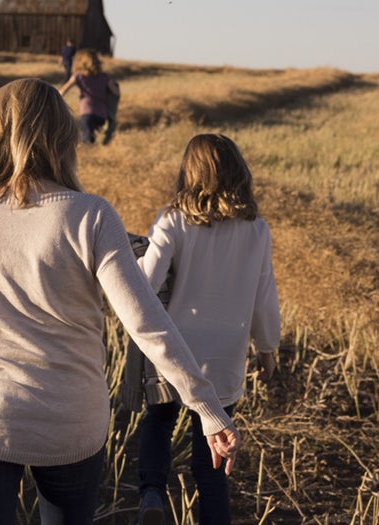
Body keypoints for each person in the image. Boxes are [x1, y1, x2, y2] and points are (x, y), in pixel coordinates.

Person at [0, 79, 238, 525]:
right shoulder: (92, 215)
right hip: (71, 424)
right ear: (63, 137)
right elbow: (145, 323)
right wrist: (207, 409)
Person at [134, 134, 280, 525]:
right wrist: (267, 347)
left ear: (189, 172)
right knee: (212, 459)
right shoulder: (256, 230)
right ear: (239, 173)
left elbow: (146, 283)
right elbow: (265, 295)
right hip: (226, 355)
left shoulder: (173, 220)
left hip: (175, 349)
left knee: (159, 420)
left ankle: (151, 492)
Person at [60, 49, 120, 145]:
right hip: (102, 115)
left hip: (87, 113)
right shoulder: (104, 76)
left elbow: (62, 91)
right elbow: (116, 92)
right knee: (95, 140)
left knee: (86, 142)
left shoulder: (78, 76)